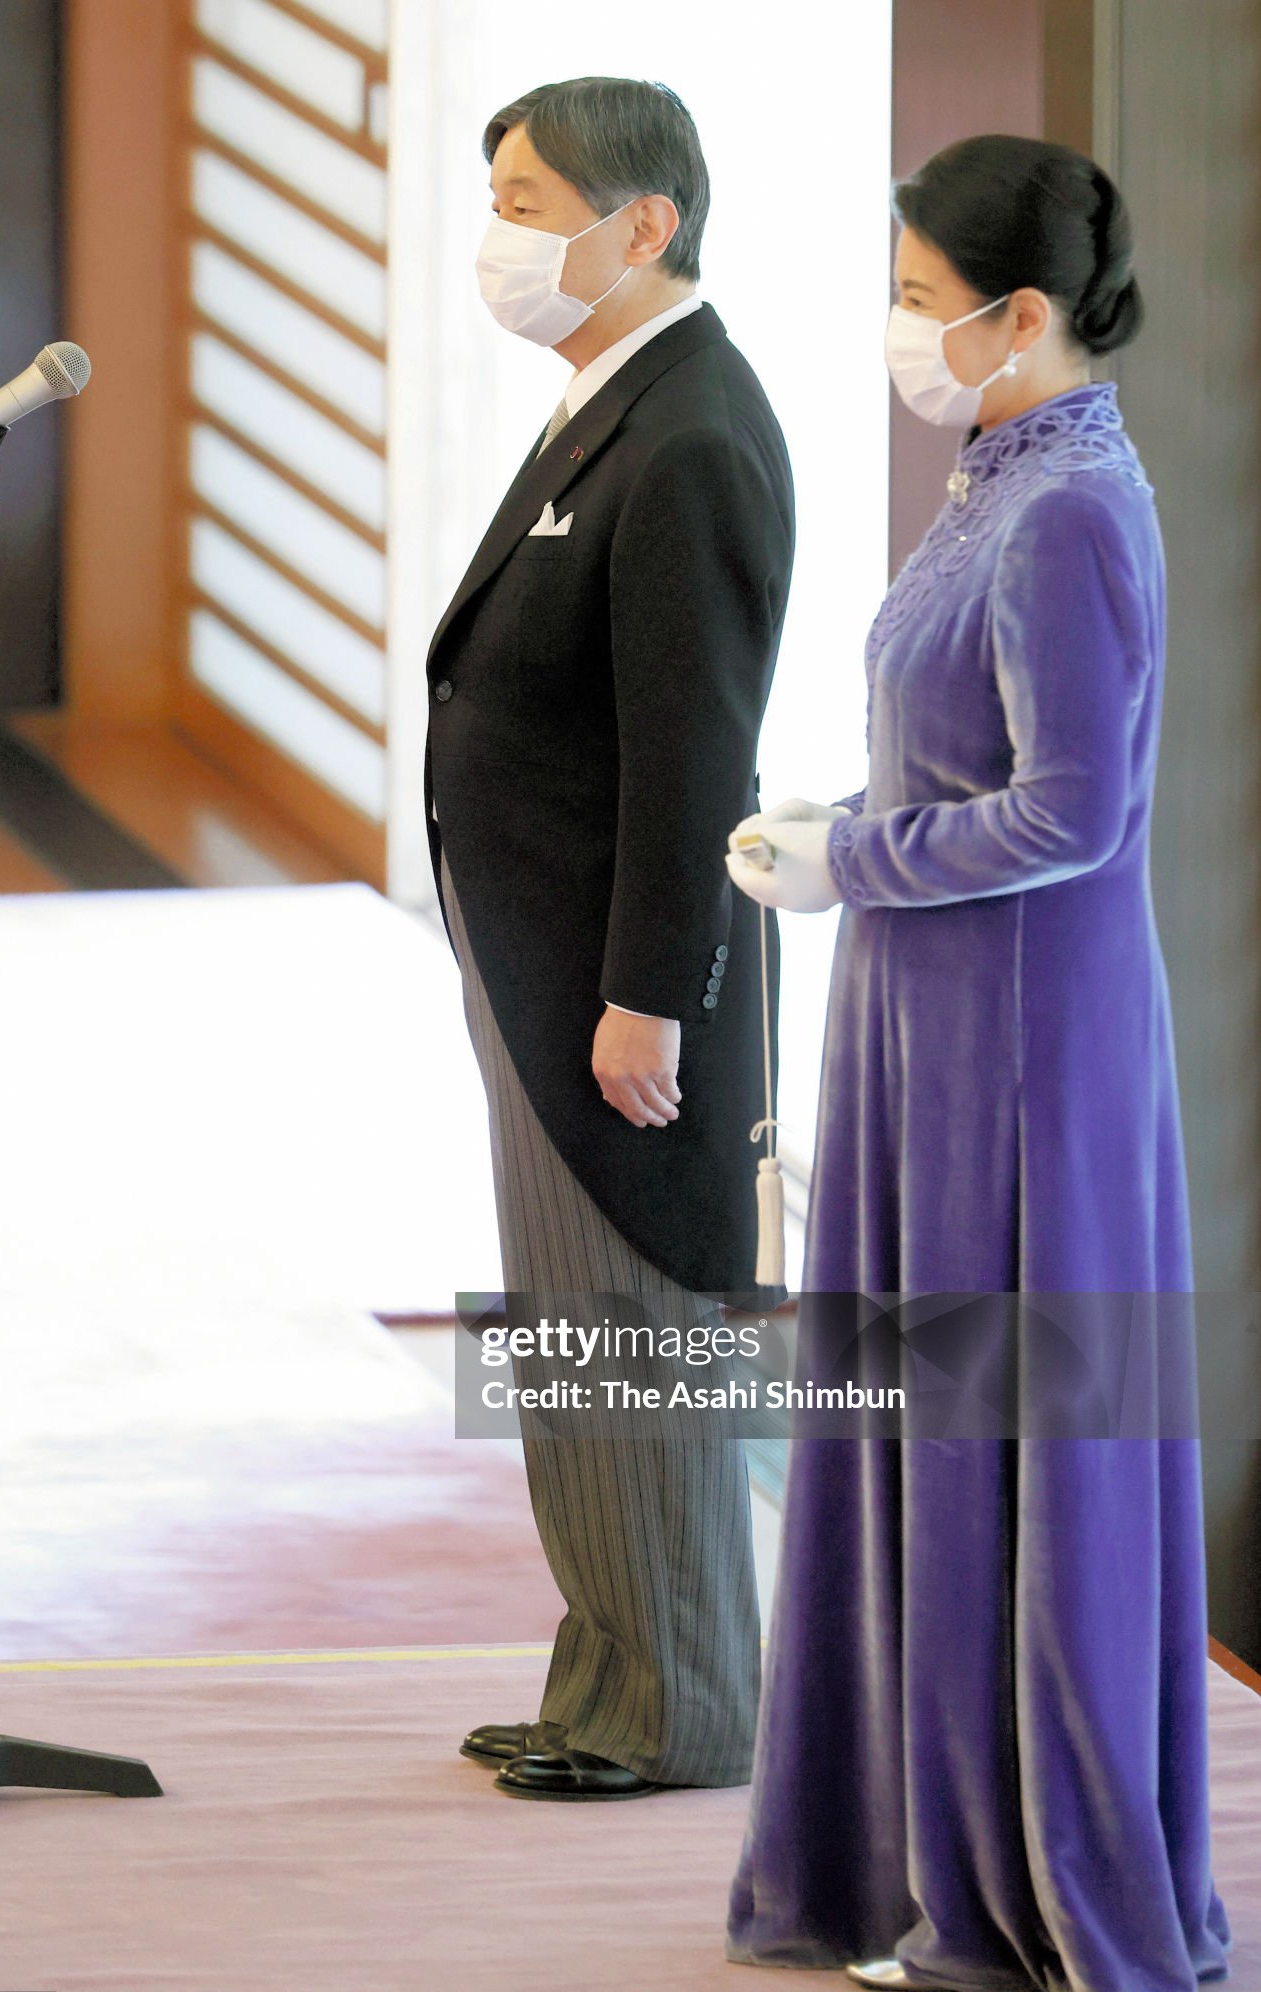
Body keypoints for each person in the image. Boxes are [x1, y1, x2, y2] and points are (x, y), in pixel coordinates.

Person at [722, 135, 1231, 1992]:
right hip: (932, 1015)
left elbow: (1074, 814)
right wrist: (835, 824)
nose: (899, 331)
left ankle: (1013, 1884)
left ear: (1021, 314)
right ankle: (909, 1843)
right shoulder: (997, 475)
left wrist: (845, 862)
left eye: (921, 300)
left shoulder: (1070, 506)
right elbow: (960, 764)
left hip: (1018, 1044)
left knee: (997, 1440)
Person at [425, 77, 795, 1801]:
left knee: (631, 1332)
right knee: (572, 1339)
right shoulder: (612, 399)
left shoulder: (695, 431)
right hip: (537, 954)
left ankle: (682, 1710)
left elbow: (688, 753)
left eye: (523, 198)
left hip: (616, 980)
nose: (498, 234)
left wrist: (650, 996)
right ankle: (604, 1681)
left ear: (640, 221)